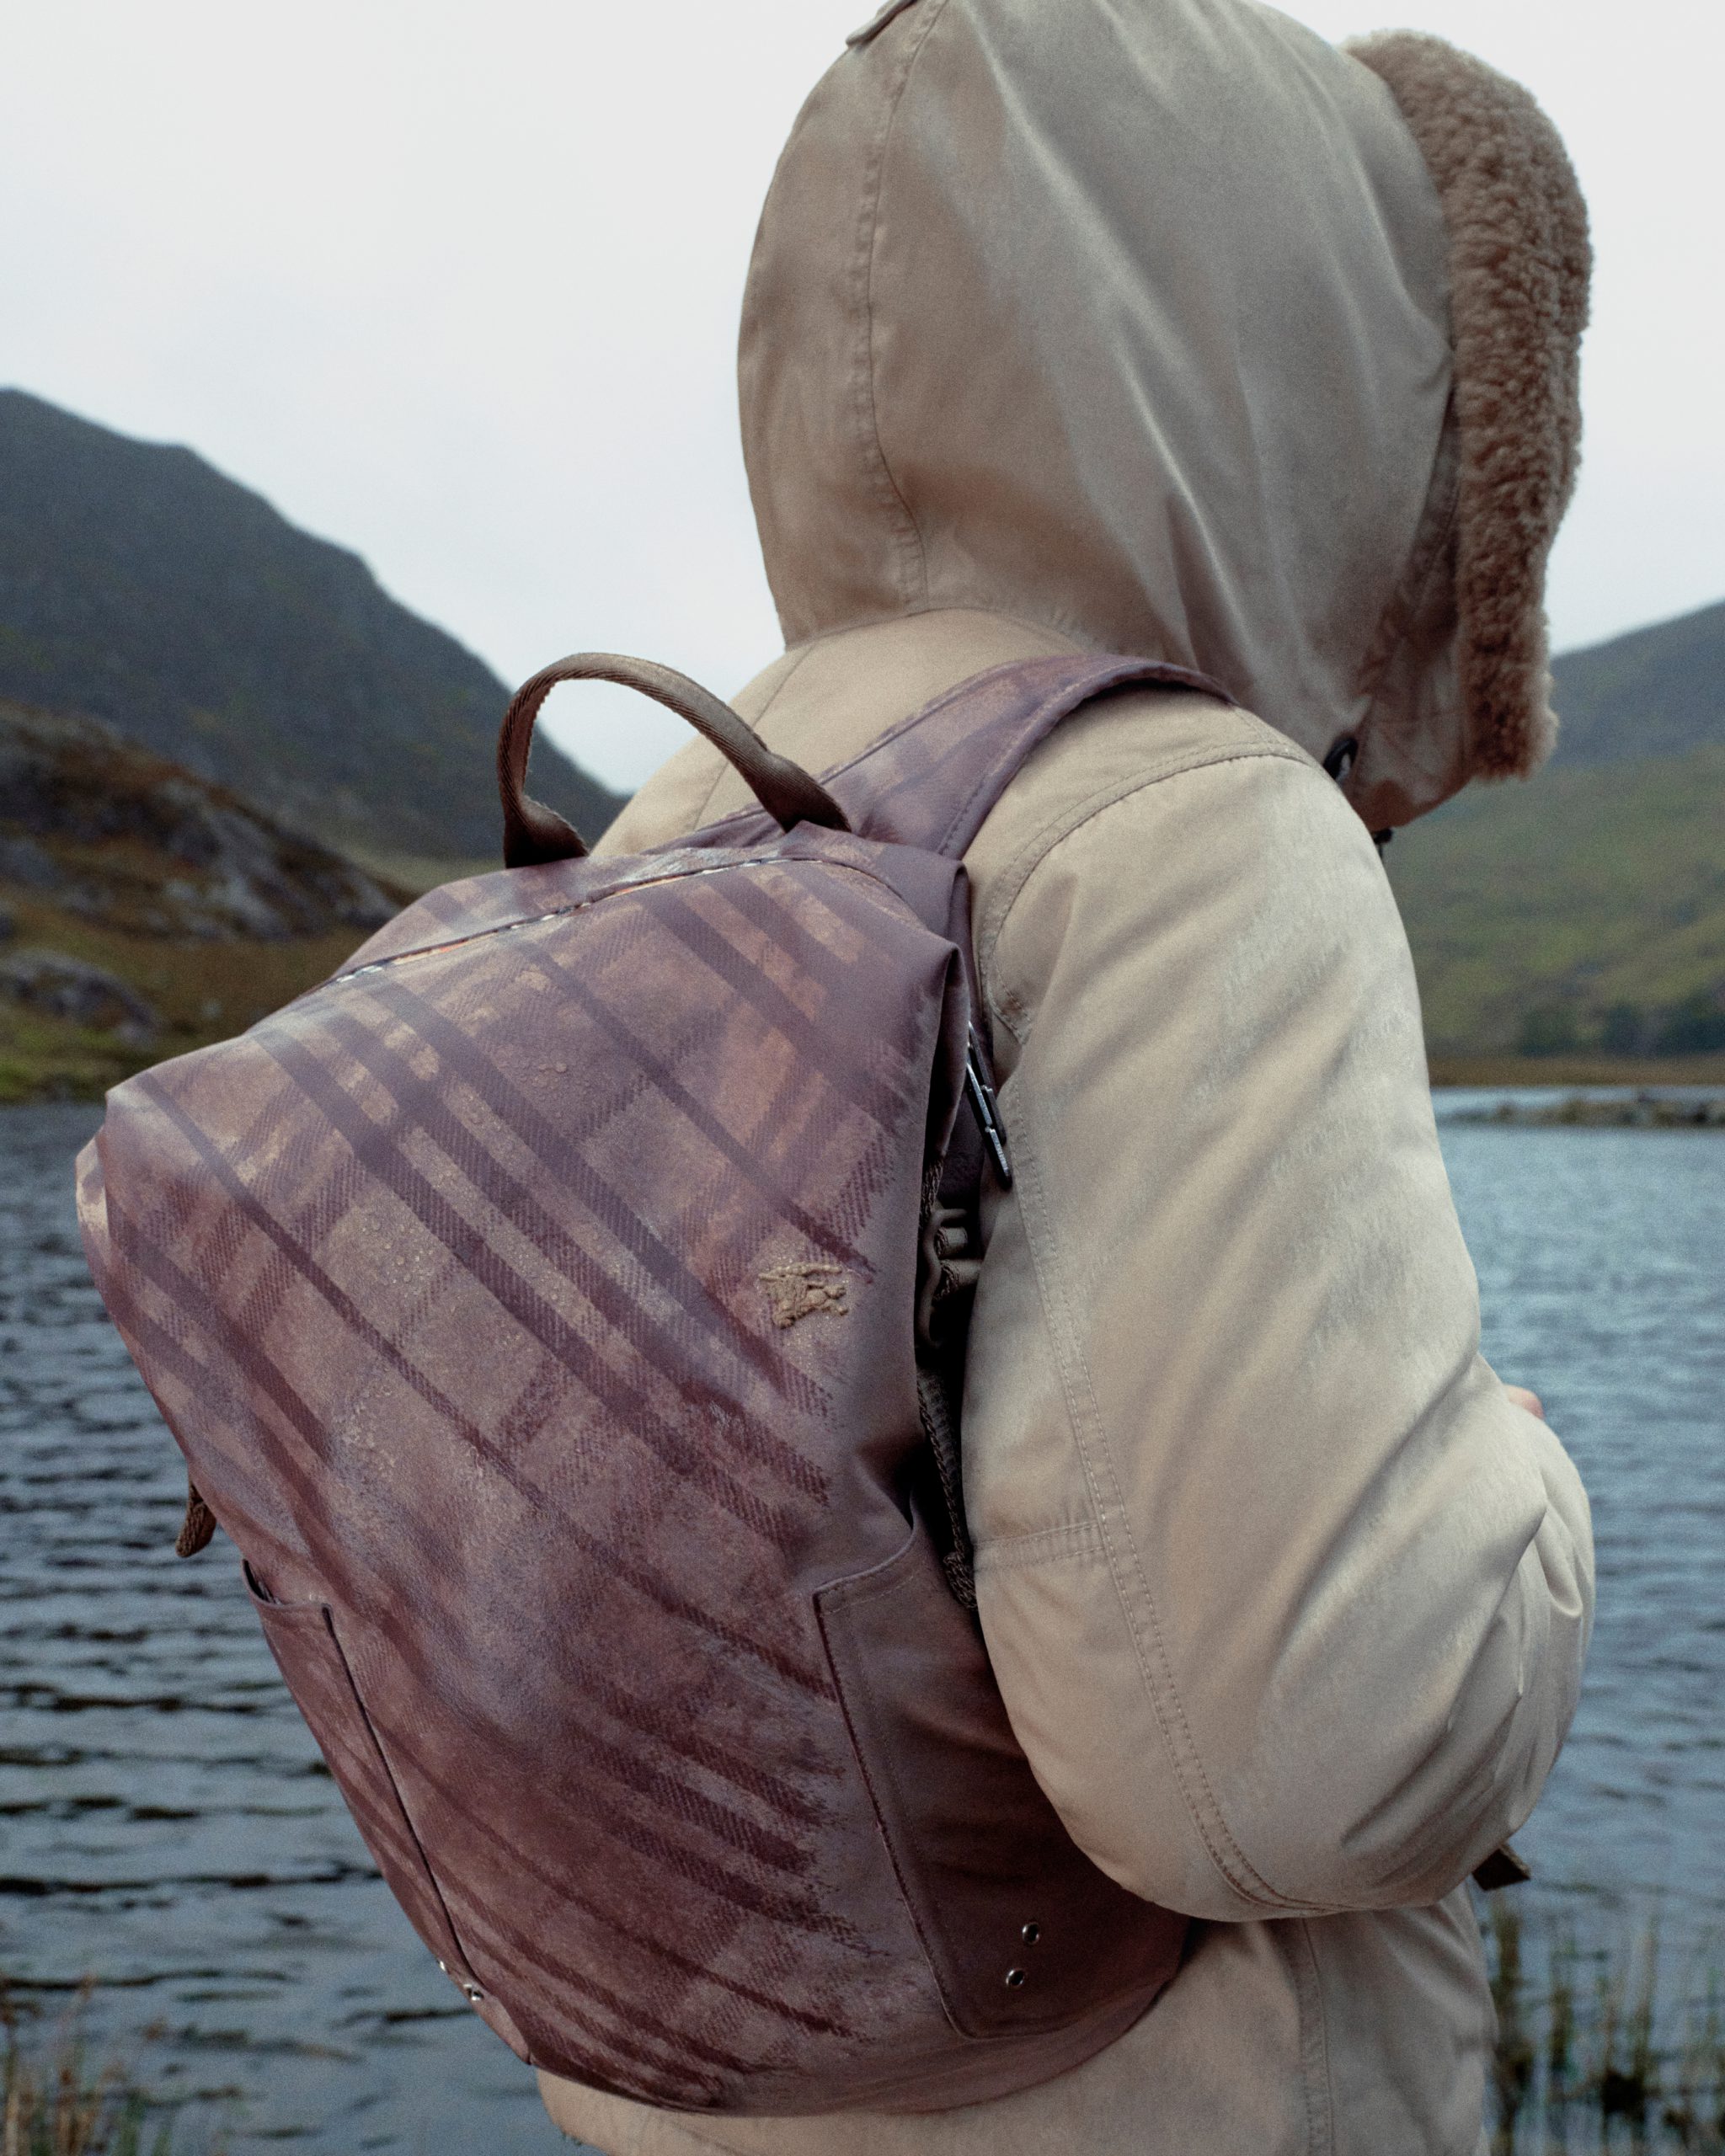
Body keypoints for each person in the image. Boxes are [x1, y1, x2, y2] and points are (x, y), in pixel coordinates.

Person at [538, 0, 1594, 2148]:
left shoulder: (670, 815)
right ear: (1303, 382)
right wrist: (1526, 1488)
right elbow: (1301, 1762)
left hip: (697, 2090)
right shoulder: (1187, 820)